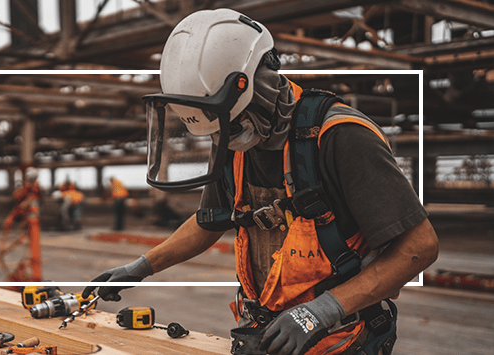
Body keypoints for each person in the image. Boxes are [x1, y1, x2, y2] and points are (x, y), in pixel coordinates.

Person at [82, 9, 438, 355]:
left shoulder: (339, 136)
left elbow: (419, 246)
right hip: (267, 334)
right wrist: (142, 267)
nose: (229, 139)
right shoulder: (232, 138)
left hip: (341, 337)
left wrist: (323, 310)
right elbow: (211, 221)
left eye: (233, 126)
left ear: (259, 86)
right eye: (220, 131)